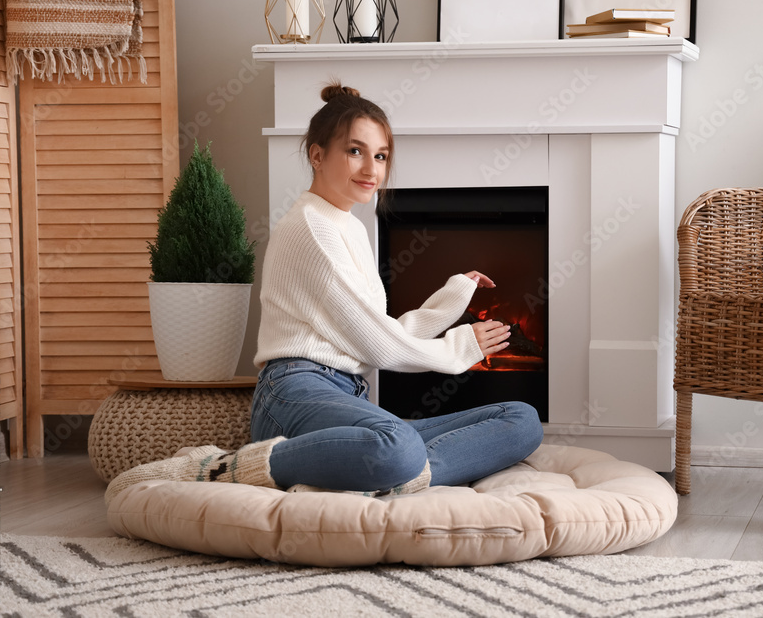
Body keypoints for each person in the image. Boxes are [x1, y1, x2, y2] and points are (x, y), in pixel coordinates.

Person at [105, 81, 544, 504]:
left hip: (345, 396)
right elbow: (380, 347)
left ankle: (383, 476)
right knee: (398, 445)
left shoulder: (347, 225)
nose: (371, 169)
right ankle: (222, 467)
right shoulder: (311, 229)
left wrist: (453, 297)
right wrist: (458, 347)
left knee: (521, 420)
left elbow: (378, 330)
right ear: (317, 155)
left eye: (381, 155)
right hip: (295, 391)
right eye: (355, 151)